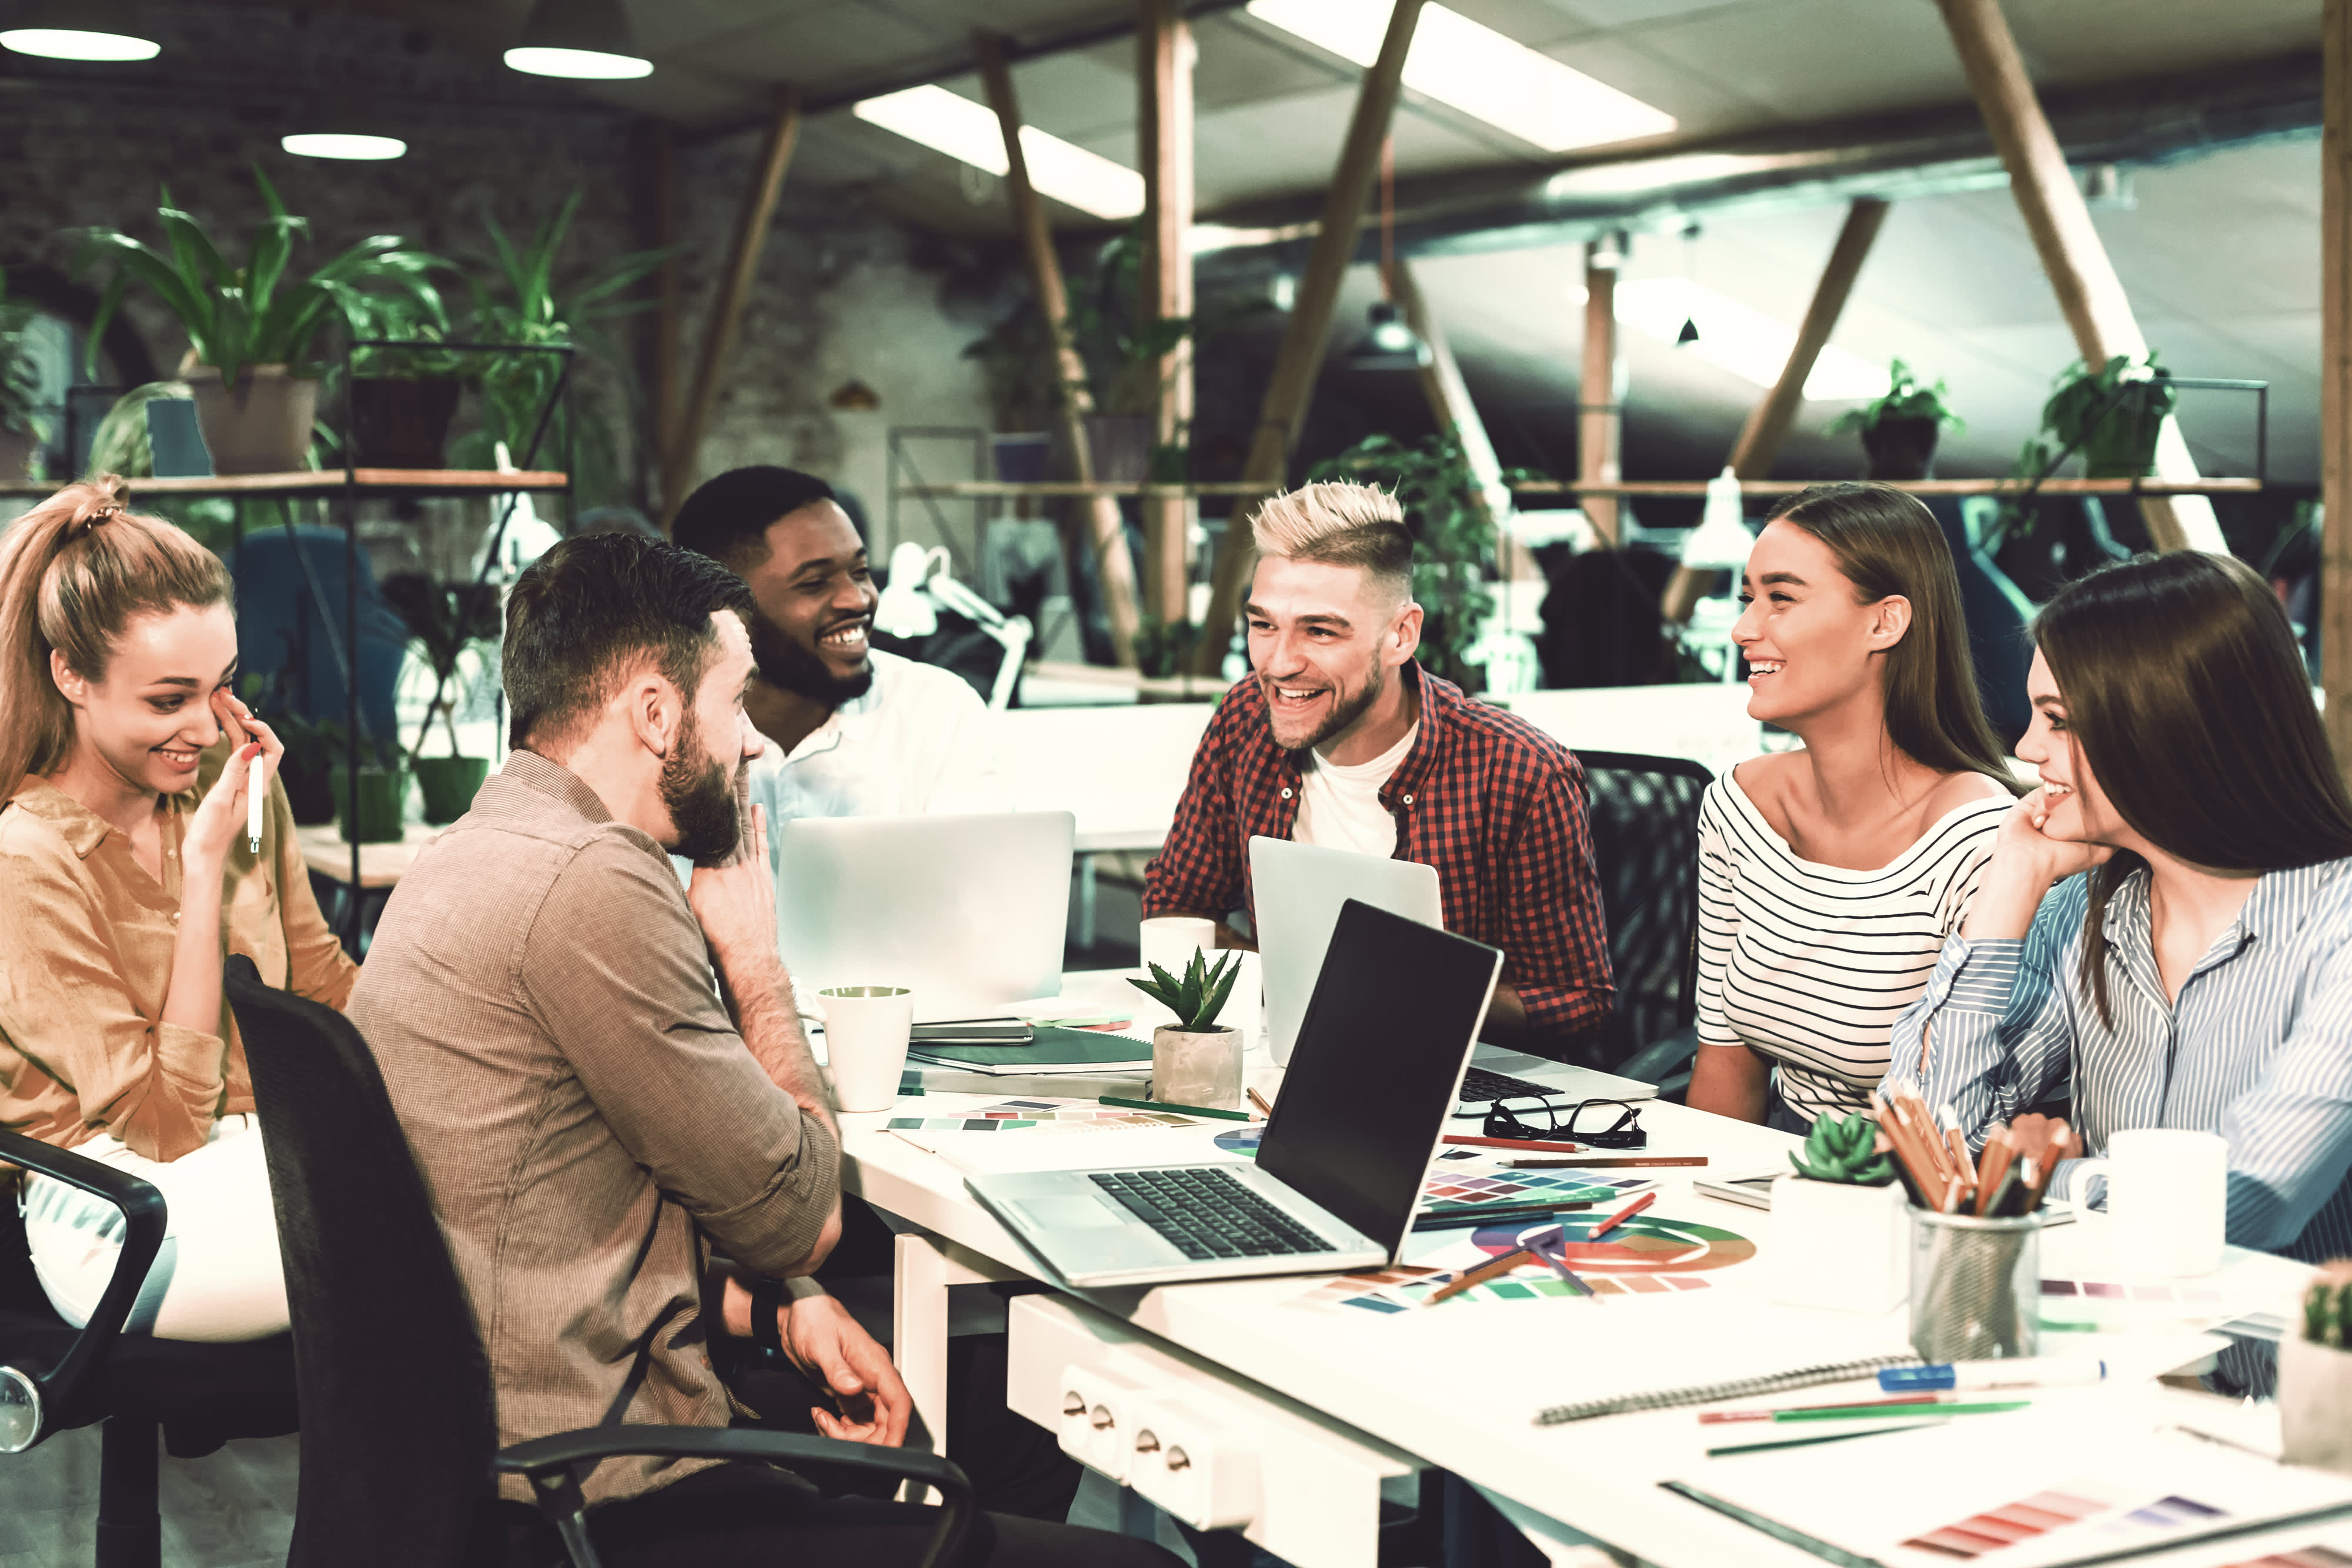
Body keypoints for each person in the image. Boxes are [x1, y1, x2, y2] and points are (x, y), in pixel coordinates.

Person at [350, 534, 1170, 1566]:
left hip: (481, 1443)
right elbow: (803, 1216)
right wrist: (753, 955)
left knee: (985, 1426)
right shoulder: (595, 884)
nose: (755, 747)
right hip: (598, 1486)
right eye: (735, 704)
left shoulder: (476, 843)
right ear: (656, 713)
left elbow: (561, 1204)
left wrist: (776, 1312)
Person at [1895, 551, 2352, 1262]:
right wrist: (2010, 883)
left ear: (2164, 724)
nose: (2024, 748)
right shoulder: (2082, 909)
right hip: (2099, 1345)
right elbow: (1924, 1142)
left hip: (2268, 1371)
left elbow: (2242, 1206)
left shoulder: (2338, 927)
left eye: (2058, 721)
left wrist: (2035, 1179)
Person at [0, 477, 355, 1341]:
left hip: (259, 1157)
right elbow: (162, 1127)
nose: (204, 726)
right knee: (434, 1225)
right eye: (167, 699)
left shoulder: (234, 798)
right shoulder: (27, 860)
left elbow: (328, 988)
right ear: (72, 675)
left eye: (220, 687)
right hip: (115, 1210)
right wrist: (204, 879)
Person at [1144, 480, 1612, 1051]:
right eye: (1263, 625)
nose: (1279, 663)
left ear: (1400, 635)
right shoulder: (1245, 718)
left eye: (1319, 630)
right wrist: (1299, 983)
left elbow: (1579, 1002)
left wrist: (1410, 990)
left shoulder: (1519, 772)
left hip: (1458, 1091)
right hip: (1290, 1059)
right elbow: (1176, 904)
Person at [1686, 484, 2020, 1129]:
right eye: (1748, 599)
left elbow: (1961, 1118)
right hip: (1773, 1159)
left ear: (1884, 622)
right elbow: (1725, 1062)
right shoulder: (1736, 805)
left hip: (1907, 1180)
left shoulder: (1976, 838)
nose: (1743, 628)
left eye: (1780, 598)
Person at [670, 465, 1000, 827]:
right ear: (723, 606)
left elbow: (978, 879)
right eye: (815, 583)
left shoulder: (938, 713)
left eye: (860, 572)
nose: (858, 600)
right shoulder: (663, 733)